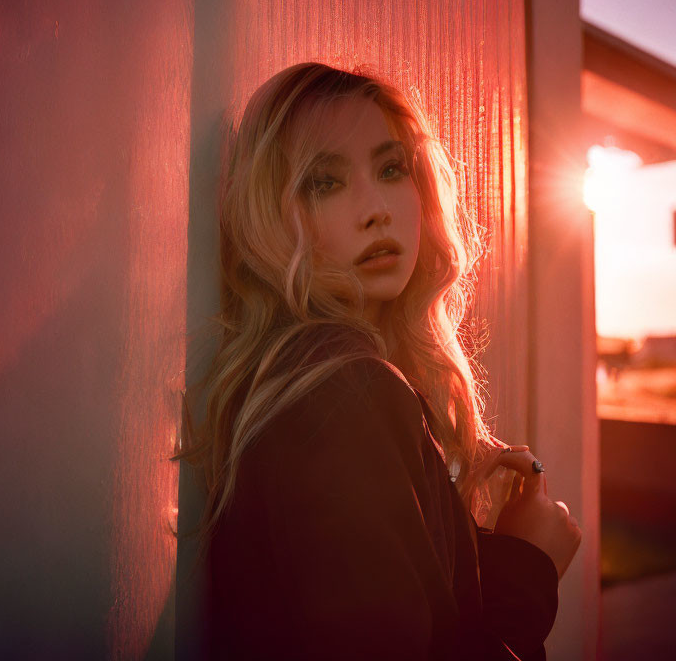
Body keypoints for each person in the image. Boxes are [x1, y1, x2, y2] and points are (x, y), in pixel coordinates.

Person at [173, 62, 582, 660]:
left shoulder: (312, 382)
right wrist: (530, 565)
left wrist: (447, 514)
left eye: (392, 170)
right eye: (324, 182)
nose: (376, 210)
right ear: (270, 212)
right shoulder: (343, 392)